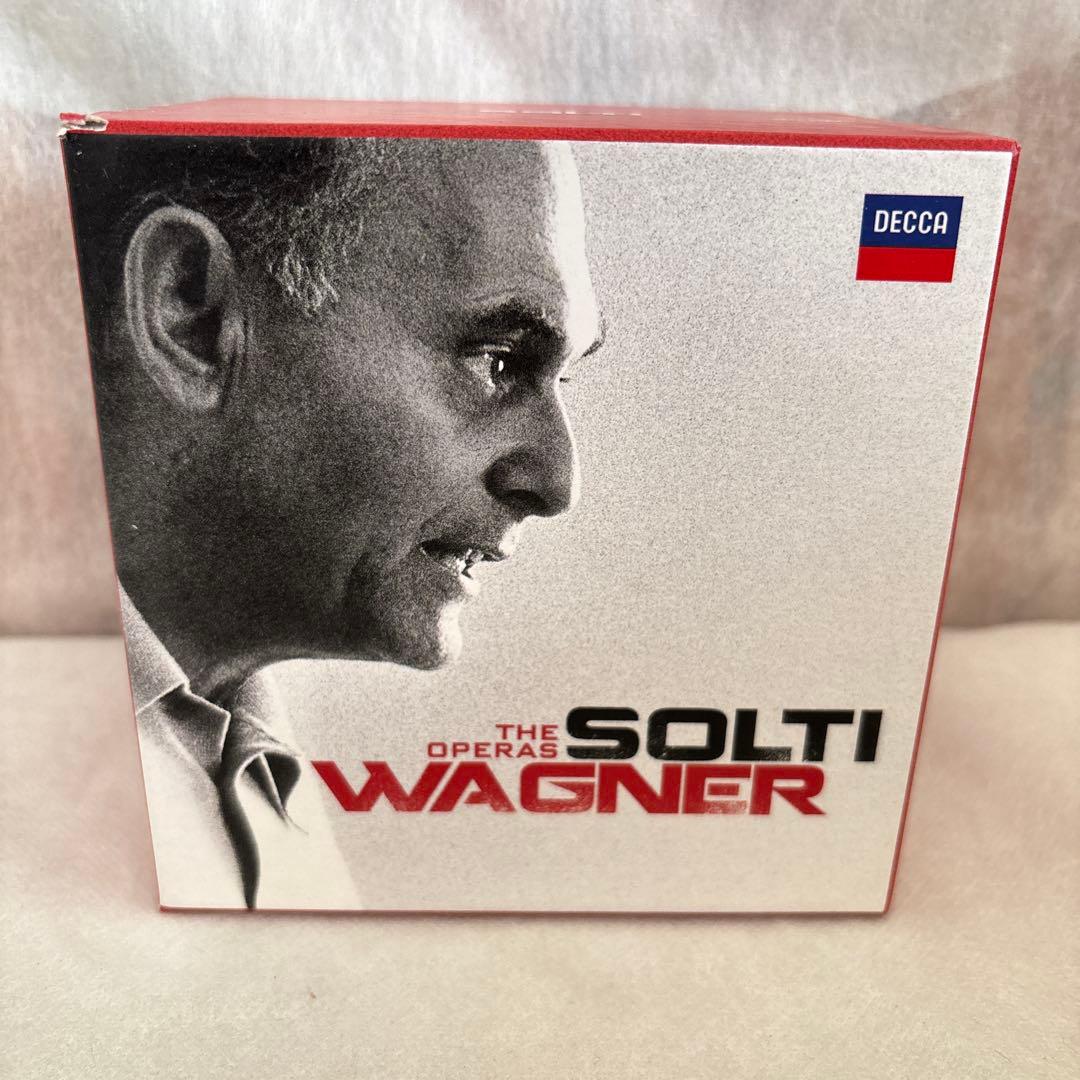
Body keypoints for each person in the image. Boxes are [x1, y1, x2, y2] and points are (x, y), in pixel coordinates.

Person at [69, 135, 603, 909]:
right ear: (192, 314)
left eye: (564, 379)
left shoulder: (257, 775)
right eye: (498, 360)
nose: (556, 484)